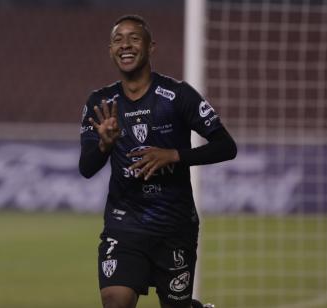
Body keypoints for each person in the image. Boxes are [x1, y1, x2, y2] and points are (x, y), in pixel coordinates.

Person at [79, 14, 236, 308]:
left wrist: (176, 155)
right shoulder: (100, 103)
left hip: (174, 225)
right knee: (115, 301)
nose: (125, 45)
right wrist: (104, 144)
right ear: (110, 50)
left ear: (151, 47)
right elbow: (86, 168)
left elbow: (226, 146)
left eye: (134, 38)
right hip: (124, 223)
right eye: (117, 40)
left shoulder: (177, 95)